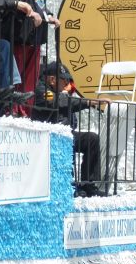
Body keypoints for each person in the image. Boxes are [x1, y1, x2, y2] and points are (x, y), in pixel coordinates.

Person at [0, 0, 60, 116]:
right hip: (17, 35)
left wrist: (49, 15)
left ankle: (26, 112)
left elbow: (39, 4)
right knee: (16, 76)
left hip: (35, 36)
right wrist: (30, 12)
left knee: (31, 79)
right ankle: (13, 111)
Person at [32, 62, 102, 196]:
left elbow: (69, 103)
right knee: (65, 142)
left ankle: (88, 184)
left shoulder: (60, 92)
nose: (67, 83)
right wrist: (76, 98)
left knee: (92, 139)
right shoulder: (41, 90)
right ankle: (68, 187)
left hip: (65, 133)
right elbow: (56, 101)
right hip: (50, 135)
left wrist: (88, 102)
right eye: (64, 80)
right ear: (52, 80)